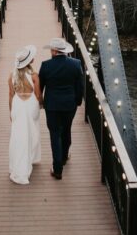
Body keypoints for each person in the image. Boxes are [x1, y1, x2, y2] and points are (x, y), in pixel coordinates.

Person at [38, 37, 84, 180]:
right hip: (69, 105)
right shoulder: (76, 64)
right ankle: (64, 156)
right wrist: (77, 102)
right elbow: (80, 86)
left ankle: (57, 168)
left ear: (54, 51)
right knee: (67, 128)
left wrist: (41, 102)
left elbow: (40, 86)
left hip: (52, 105)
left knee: (55, 133)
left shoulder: (45, 65)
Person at [8, 45, 42, 184]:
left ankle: (18, 164)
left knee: (18, 135)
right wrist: (41, 104)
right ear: (29, 62)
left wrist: (11, 112)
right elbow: (38, 94)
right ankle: (31, 157)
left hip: (17, 104)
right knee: (32, 132)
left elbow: (11, 95)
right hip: (30, 105)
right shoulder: (34, 76)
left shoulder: (11, 76)